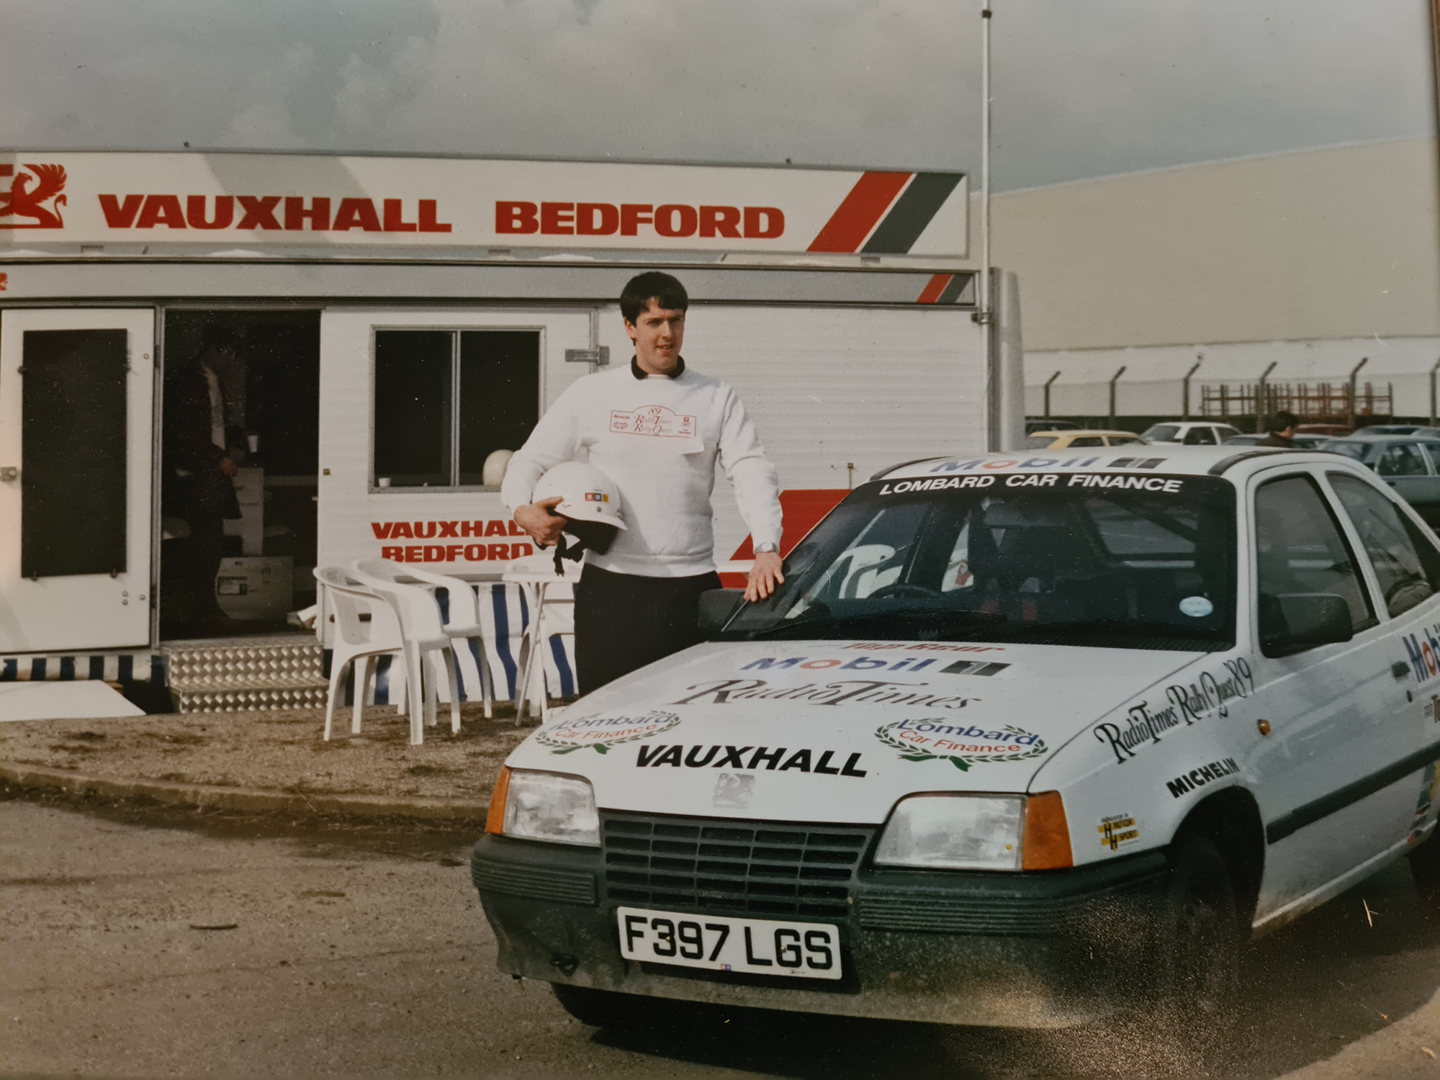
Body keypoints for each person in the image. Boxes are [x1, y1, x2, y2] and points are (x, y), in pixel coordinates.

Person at [503, 271, 784, 694]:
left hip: (692, 589)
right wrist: (521, 510)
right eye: (654, 322)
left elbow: (751, 470)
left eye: (676, 320)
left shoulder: (716, 396)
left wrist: (766, 547)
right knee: (605, 717)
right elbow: (530, 459)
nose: (667, 334)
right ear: (630, 327)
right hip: (612, 589)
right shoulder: (591, 391)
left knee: (694, 718)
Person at [162, 326, 244, 633]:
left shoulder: (212, 380)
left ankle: (199, 609)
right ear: (213, 349)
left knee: (208, 544)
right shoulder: (185, 380)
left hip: (206, 473)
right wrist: (217, 457)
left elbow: (215, 424)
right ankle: (198, 611)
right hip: (193, 474)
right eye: (228, 354)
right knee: (205, 545)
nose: (230, 361)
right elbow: (181, 432)